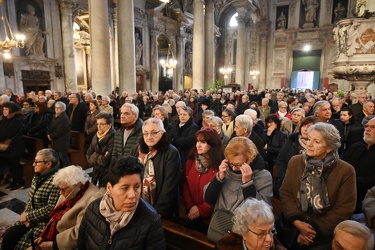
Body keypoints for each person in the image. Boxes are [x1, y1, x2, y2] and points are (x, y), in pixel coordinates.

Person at [280, 122, 356, 248]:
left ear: (329, 147)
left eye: (316, 142)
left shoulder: (346, 171)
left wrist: (312, 231)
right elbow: (286, 193)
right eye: (309, 139)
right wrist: (297, 222)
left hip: (324, 233)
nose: (309, 144)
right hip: (294, 227)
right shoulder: (296, 161)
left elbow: (345, 208)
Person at [76, 156, 166, 249]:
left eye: (137, 187)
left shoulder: (150, 220)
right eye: (125, 188)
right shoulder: (94, 209)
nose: (132, 195)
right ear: (109, 188)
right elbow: (81, 246)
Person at [204, 137, 273, 242]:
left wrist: (248, 183)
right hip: (219, 227)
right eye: (231, 163)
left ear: (249, 159)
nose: (234, 168)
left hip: (245, 235)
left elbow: (262, 213)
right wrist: (219, 178)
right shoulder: (227, 170)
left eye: (238, 165)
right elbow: (208, 199)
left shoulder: (263, 176)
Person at [30, 165, 103, 250]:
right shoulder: (70, 192)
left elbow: (80, 232)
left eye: (63, 189)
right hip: (55, 235)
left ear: (75, 185)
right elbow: (55, 217)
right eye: (59, 189)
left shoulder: (93, 199)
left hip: (66, 244)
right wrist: (43, 236)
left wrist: (54, 245)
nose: (60, 193)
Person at [1, 149, 60, 250]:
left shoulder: (56, 181)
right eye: (34, 161)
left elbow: (51, 208)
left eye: (37, 162)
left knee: (22, 245)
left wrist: (29, 217)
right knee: (8, 236)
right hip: (29, 217)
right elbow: (30, 199)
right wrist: (25, 215)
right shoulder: (38, 176)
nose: (33, 164)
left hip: (43, 221)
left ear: (48, 164)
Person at [130, 118, 181, 218]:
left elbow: (169, 186)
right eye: (145, 133)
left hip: (161, 209)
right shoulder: (136, 149)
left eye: (154, 133)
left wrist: (157, 212)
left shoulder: (171, 152)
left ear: (162, 133)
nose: (149, 137)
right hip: (136, 205)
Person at [183, 128, 224, 233]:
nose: (198, 145)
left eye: (203, 142)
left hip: (211, 219)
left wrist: (200, 210)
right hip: (191, 213)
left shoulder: (220, 166)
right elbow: (185, 184)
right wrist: (191, 206)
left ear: (212, 144)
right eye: (197, 141)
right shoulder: (191, 160)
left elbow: (217, 194)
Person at [217, 198, 286, 250]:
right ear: (244, 233)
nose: (269, 239)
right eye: (261, 234)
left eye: (271, 231)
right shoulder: (225, 246)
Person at [276, 116, 318, 187]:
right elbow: (280, 160)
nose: (305, 129)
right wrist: (285, 178)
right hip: (289, 181)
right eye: (303, 126)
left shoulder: (319, 145)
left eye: (309, 127)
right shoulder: (292, 139)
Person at [344, 117, 375, 213]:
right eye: (366, 126)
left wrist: (352, 180)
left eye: (373, 127)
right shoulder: (355, 147)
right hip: (345, 198)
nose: (367, 129)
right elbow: (342, 168)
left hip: (367, 203)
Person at [86, 112, 116, 187]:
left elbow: (106, 160)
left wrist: (95, 155)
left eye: (102, 124)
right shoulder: (96, 136)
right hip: (96, 171)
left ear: (109, 125)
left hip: (107, 173)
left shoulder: (114, 137)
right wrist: (100, 156)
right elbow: (88, 155)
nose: (99, 126)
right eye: (97, 124)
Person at [0, 102, 25, 190]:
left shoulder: (17, 120)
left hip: (14, 147)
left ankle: (18, 182)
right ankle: (13, 181)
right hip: (6, 147)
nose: (4, 111)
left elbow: (7, 133)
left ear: (12, 110)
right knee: (9, 164)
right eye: (3, 109)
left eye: (6, 109)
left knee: (15, 165)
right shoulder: (5, 119)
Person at [48, 101, 71, 167]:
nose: (56, 109)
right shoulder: (55, 116)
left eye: (59, 108)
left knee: (63, 157)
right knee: (58, 157)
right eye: (56, 108)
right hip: (56, 141)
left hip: (62, 141)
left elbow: (60, 130)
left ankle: (68, 170)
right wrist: (48, 133)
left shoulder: (64, 118)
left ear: (63, 109)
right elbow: (50, 126)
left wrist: (51, 136)